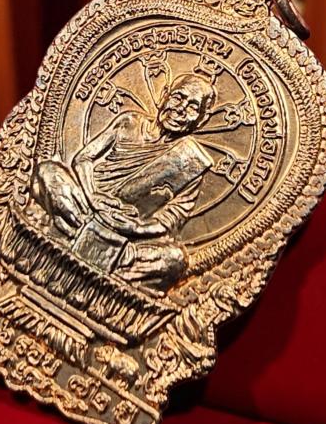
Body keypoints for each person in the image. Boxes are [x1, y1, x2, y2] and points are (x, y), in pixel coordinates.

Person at [32, 73, 216, 291]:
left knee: (175, 259)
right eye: (178, 97)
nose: (181, 109)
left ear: (202, 119)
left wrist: (135, 227)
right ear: (164, 95)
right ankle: (88, 241)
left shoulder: (191, 162)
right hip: (82, 205)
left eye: (193, 107)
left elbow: (171, 219)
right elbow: (84, 158)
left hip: (126, 234)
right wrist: (93, 196)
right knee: (48, 172)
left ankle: (103, 268)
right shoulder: (129, 122)